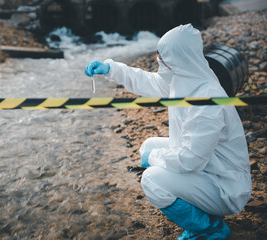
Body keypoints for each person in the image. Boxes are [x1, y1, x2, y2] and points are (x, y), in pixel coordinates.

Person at [84, 24, 251, 240]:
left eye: (162, 58)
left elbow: (190, 160)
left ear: (178, 59)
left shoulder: (206, 102)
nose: (159, 61)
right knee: (149, 145)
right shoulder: (187, 79)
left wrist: (153, 159)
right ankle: (197, 203)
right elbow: (149, 81)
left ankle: (208, 227)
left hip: (225, 186)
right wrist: (111, 68)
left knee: (152, 179)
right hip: (211, 165)